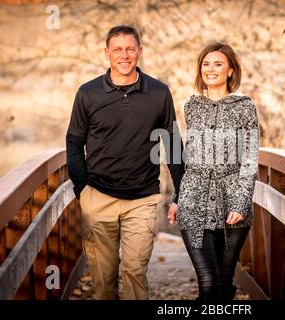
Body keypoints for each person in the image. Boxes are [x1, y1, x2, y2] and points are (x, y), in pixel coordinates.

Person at [66, 25, 185, 300]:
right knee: (103, 279)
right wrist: (82, 190)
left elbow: (173, 145)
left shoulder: (158, 92)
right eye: (117, 49)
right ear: (107, 53)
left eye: (130, 49)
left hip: (142, 199)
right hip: (98, 196)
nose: (124, 55)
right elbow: (73, 142)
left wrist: (181, 192)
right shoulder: (88, 93)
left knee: (134, 271)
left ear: (140, 52)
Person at [167, 42, 259, 301]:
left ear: (230, 71)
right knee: (208, 284)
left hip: (232, 201)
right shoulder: (192, 106)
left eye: (218, 64)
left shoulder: (245, 107)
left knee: (224, 285)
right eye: (205, 64)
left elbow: (249, 159)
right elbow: (188, 157)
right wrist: (177, 199)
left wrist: (241, 202)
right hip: (193, 198)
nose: (211, 69)